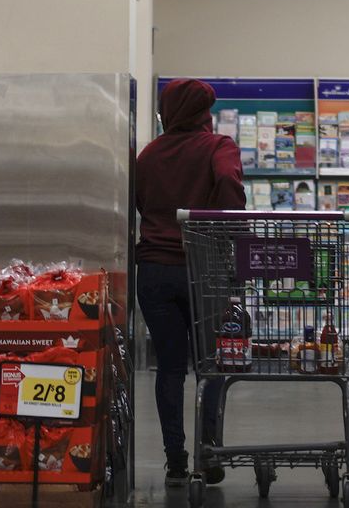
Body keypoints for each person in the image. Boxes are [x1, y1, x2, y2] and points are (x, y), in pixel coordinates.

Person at [135, 78, 245, 487]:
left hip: (154, 271)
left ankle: (176, 460)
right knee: (210, 365)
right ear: (203, 113)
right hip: (204, 267)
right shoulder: (219, 147)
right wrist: (228, 232)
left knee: (168, 368)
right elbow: (230, 184)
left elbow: (142, 201)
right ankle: (209, 450)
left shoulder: (148, 154)